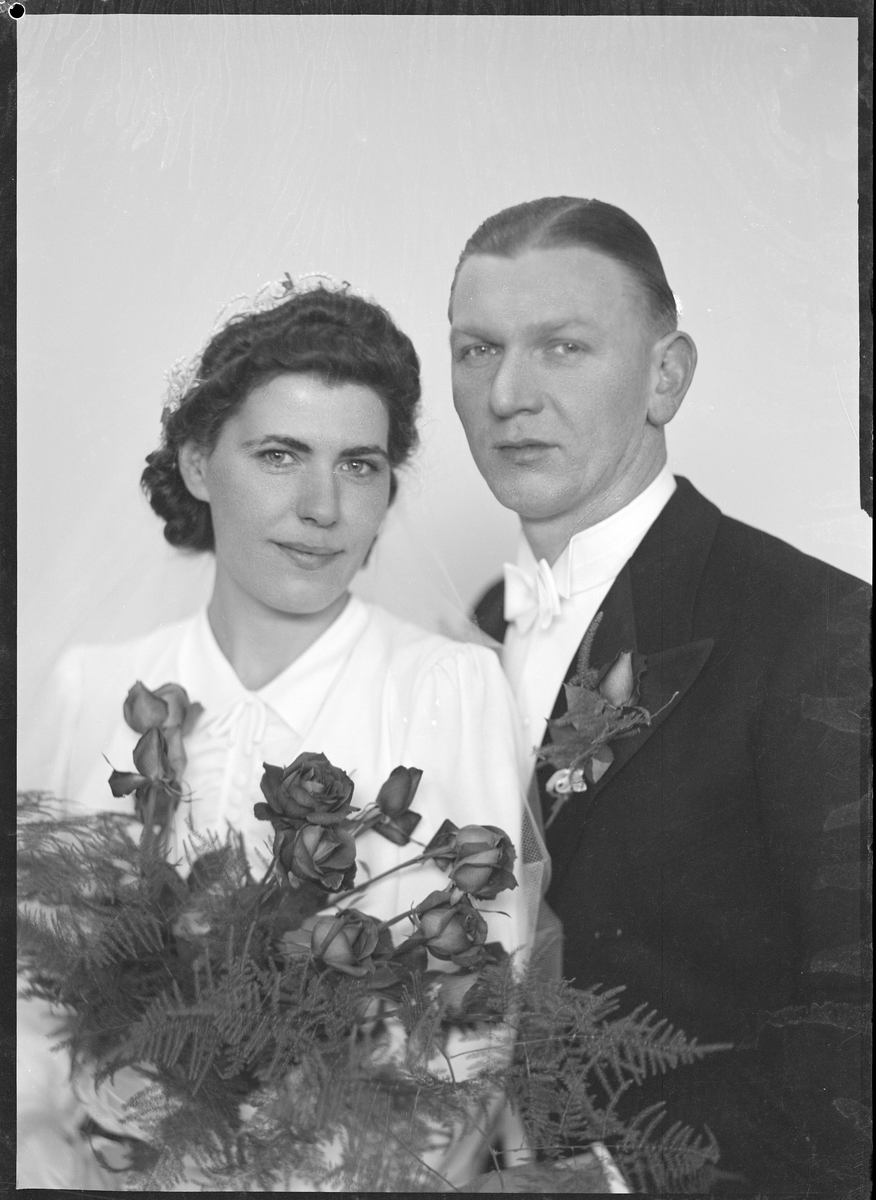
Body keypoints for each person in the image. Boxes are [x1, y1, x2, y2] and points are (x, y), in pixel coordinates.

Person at [17, 277, 545, 1191]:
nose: (322, 507)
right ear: (196, 463)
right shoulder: (91, 687)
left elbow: (473, 1030)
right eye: (278, 455)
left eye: (359, 465)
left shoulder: (450, 689)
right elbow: (29, 1000)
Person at [450, 197, 870, 1196]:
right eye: (477, 349)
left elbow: (859, 1012)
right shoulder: (465, 634)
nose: (507, 393)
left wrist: (612, 1180)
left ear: (666, 377)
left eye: (562, 347)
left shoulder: (818, 628)